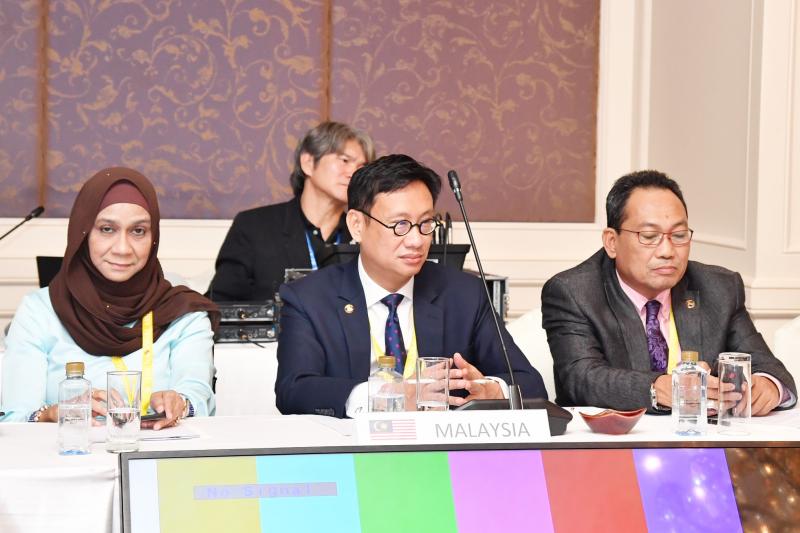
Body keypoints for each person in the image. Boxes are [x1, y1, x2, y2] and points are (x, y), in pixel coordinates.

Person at [275, 154, 547, 417]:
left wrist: (490, 390)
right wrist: (387, 397)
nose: (417, 240)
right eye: (400, 225)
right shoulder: (309, 298)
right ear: (357, 225)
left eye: (426, 223)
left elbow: (531, 384)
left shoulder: (464, 295)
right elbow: (294, 390)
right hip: (350, 446)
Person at [541, 170, 796, 414]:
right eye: (649, 236)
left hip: (701, 438)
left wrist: (768, 385)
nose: (667, 251)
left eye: (679, 235)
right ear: (612, 241)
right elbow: (582, 378)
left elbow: (767, 367)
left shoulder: (720, 287)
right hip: (613, 440)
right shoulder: (574, 292)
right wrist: (658, 389)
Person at [0, 167, 220, 428]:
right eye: (107, 229)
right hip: (71, 451)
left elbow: (199, 398)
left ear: (154, 238)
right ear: (82, 233)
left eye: (138, 231)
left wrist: (182, 403)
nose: (123, 248)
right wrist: (53, 413)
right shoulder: (40, 312)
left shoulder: (182, 312)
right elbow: (16, 418)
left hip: (160, 452)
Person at [207, 121, 375, 301]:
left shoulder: (367, 235)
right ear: (308, 162)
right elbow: (220, 304)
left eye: (361, 167)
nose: (353, 173)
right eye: (344, 161)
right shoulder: (254, 227)